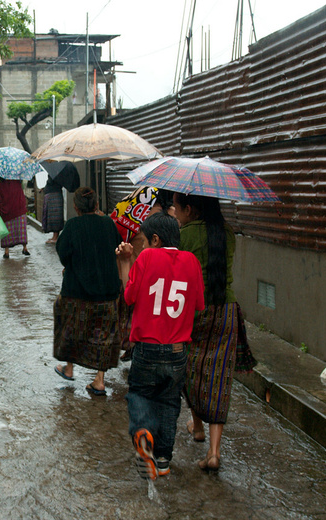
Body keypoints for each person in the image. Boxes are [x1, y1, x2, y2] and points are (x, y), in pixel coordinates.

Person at [116, 212, 205, 480]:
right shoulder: (192, 262)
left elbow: (129, 297)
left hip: (147, 347)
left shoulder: (146, 257)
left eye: (144, 241)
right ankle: (164, 459)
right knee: (169, 403)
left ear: (155, 238)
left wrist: (125, 262)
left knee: (141, 394)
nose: (141, 246)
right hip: (178, 350)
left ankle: (143, 433)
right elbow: (199, 305)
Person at [174, 193, 257, 472]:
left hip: (194, 311)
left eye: (177, 207)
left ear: (189, 208)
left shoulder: (183, 234)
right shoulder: (228, 233)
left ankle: (197, 425)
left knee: (189, 368)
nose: (175, 212)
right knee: (220, 376)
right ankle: (213, 451)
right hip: (227, 311)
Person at [53, 187, 124, 396]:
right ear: (97, 205)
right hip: (107, 292)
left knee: (69, 325)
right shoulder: (108, 224)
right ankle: (99, 380)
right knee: (105, 334)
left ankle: (69, 367)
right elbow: (117, 246)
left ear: (76, 207)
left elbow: (63, 254)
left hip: (77, 291)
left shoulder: (73, 226)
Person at [112, 188, 175, 362]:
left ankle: (133, 346)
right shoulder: (169, 214)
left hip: (135, 266)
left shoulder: (136, 208)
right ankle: (135, 346)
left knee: (132, 310)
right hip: (149, 269)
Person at [0, 178, 30, 258]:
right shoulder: (17, 184)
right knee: (21, 231)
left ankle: (6, 252)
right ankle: (25, 248)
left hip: (6, 214)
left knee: (7, 232)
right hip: (19, 211)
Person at [42, 176, 64, 244]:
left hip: (54, 196)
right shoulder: (53, 172)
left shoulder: (56, 173)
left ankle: (56, 237)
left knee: (55, 216)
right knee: (52, 217)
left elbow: (51, 182)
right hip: (52, 195)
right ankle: (54, 236)